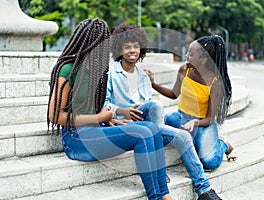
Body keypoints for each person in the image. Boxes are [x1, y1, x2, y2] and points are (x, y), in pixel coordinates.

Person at [47, 18, 171, 200]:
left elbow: (95, 107)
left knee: (152, 129)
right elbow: (55, 116)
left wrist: (108, 118)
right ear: (88, 42)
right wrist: (98, 118)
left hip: (97, 130)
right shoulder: (67, 69)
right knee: (142, 134)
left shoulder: (98, 70)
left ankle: (165, 195)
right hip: (76, 139)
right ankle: (157, 198)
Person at [105, 23, 222, 200]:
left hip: (150, 126)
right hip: (127, 126)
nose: (132, 51)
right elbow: (105, 104)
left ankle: (204, 190)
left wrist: (152, 84)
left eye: (136, 46)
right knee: (156, 107)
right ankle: (160, 171)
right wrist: (121, 111)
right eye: (127, 47)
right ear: (119, 49)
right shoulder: (111, 74)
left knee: (181, 135)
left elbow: (149, 105)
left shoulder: (143, 74)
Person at [145, 35, 237, 173]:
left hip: (202, 123)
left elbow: (210, 118)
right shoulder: (185, 70)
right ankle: (194, 140)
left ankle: (223, 144)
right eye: (187, 52)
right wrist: (153, 84)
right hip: (181, 118)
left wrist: (194, 123)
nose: (186, 56)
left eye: (191, 54)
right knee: (170, 119)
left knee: (209, 161)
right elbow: (174, 94)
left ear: (203, 59)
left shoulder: (215, 83)